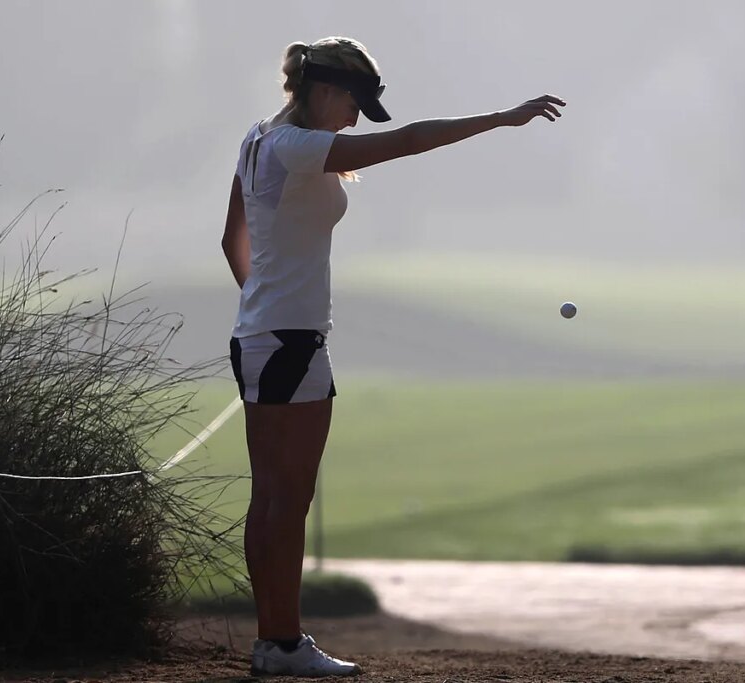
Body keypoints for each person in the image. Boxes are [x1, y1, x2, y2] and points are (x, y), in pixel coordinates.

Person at [221, 35, 565, 678]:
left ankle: (274, 642)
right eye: (353, 104)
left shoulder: (257, 138)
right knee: (287, 497)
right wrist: (500, 118)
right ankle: (284, 643)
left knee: (270, 495)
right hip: (289, 340)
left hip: (262, 335)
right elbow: (406, 141)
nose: (354, 120)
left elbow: (231, 238)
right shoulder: (296, 146)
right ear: (325, 90)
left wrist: (262, 306)